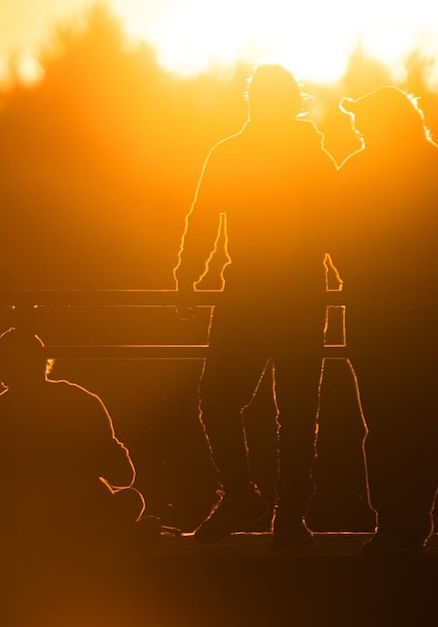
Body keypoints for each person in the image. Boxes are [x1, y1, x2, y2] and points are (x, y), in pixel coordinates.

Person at [174, 62, 337, 544]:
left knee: (220, 399)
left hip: (251, 293)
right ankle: (286, 515)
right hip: (300, 293)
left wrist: (188, 278)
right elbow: (339, 227)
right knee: (296, 408)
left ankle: (246, 497)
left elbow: (201, 219)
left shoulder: (231, 153)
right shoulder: (313, 155)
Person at [333, 86, 438, 554]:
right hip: (426, 314)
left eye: (363, 119)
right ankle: (414, 520)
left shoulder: (354, 171)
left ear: (384, 123)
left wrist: (370, 271)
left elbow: (335, 241)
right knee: (422, 420)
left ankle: (392, 522)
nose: (356, 127)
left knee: (383, 422)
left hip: (373, 315)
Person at [0, 327, 155, 555]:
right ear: (44, 362)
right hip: (80, 520)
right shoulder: (79, 399)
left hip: (15, 529)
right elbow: (124, 475)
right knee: (131, 500)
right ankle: (114, 538)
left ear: (0, 369)